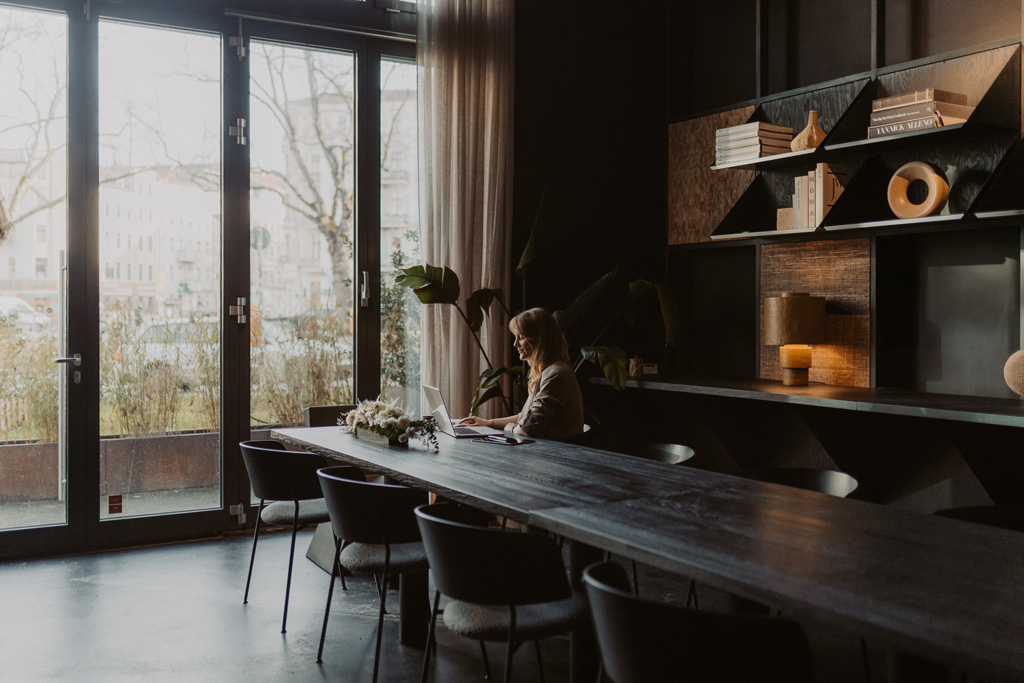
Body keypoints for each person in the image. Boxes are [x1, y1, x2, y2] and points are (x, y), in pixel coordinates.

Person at [459, 307, 584, 440]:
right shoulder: (550, 371)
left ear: (539, 340)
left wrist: (510, 428)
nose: (515, 344)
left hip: (555, 456)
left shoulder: (556, 374)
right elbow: (525, 417)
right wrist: (489, 423)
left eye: (521, 337)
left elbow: (528, 428)